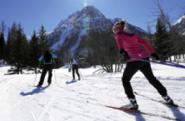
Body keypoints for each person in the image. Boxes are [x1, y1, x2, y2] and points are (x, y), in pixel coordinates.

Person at [112, 20, 175, 110]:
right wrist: (152, 53)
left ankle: (133, 103)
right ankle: (167, 98)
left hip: (134, 60)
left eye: (114, 29)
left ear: (116, 28)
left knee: (125, 80)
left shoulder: (118, 35)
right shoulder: (133, 35)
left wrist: (123, 52)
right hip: (144, 59)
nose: (114, 31)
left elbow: (120, 45)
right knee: (152, 79)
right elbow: (144, 42)